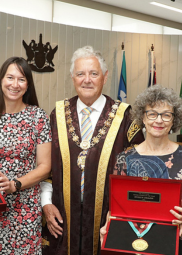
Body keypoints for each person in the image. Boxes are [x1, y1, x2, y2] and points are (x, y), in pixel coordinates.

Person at [41, 45, 145, 255]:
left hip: (108, 219)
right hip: (62, 218)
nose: (86, 79)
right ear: (73, 78)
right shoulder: (57, 115)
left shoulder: (126, 117)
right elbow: (46, 167)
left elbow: (137, 173)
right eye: (80, 74)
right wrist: (45, 204)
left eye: (93, 73)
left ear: (105, 77)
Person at [99, 85, 182, 255]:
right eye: (152, 114)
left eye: (166, 115)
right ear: (143, 117)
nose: (159, 120)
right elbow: (117, 204)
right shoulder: (124, 158)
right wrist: (108, 225)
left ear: (174, 120)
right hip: (134, 239)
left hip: (177, 239)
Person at [0, 56, 51, 254]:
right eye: (10, 78)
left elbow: (45, 166)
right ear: (1, 80)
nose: (15, 84)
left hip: (24, 210)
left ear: (28, 85)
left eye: (21, 79)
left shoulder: (38, 117)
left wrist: (15, 184)